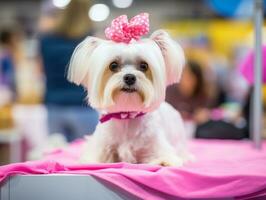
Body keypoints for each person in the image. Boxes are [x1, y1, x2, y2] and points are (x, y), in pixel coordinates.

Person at [38, 0, 98, 142]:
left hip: (54, 105)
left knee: (56, 154)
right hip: (83, 106)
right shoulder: (90, 41)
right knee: (85, 157)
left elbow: (40, 69)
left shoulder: (46, 39)